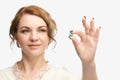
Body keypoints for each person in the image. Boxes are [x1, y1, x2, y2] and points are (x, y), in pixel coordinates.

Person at [0, 5, 100, 80]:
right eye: (25, 30)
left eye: (41, 30)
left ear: (49, 37)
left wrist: (88, 63)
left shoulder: (63, 77)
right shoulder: (3, 76)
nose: (34, 37)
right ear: (16, 36)